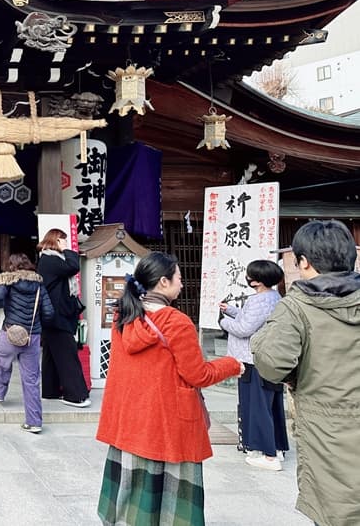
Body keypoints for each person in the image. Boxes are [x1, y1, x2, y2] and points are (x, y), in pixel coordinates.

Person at [96, 252, 243, 525]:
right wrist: (233, 364)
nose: (182, 284)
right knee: (170, 505)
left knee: (132, 494)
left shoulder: (123, 316)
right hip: (167, 425)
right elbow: (198, 374)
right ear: (163, 282)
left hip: (129, 420)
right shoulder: (176, 321)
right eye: (179, 278)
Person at [251, 220, 360, 526]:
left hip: (328, 433)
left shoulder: (298, 307)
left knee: (336, 511)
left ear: (304, 262)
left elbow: (272, 364)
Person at [219, 259, 289, 471]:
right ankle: (276, 447)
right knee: (271, 404)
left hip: (252, 358)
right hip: (269, 358)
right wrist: (231, 311)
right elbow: (249, 319)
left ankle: (267, 455)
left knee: (257, 405)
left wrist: (222, 321)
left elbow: (244, 329)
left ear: (256, 281)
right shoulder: (274, 297)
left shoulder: (260, 301)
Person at [0, 252, 55, 433]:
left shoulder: (7, 281)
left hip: (10, 332)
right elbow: (49, 313)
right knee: (31, 380)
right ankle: (34, 422)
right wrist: (38, 325)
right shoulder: (39, 284)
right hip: (32, 335)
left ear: (11, 265)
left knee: (0, 361)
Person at [36, 228, 90, 408]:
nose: (66, 244)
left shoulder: (48, 259)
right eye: (63, 240)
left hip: (53, 315)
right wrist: (68, 251)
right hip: (57, 316)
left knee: (52, 353)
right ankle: (76, 395)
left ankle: (50, 391)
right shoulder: (50, 259)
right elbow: (73, 266)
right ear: (56, 240)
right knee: (68, 354)